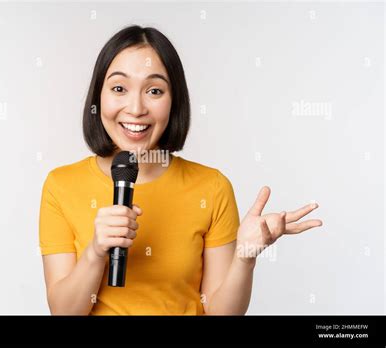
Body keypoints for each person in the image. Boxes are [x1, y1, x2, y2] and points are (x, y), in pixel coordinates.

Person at [39, 25, 323, 315]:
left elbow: (221, 312)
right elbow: (64, 312)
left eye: (154, 90)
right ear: (98, 97)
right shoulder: (61, 185)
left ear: (174, 101)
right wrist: (96, 251)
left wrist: (244, 257)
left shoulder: (211, 187)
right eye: (119, 88)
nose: (136, 108)